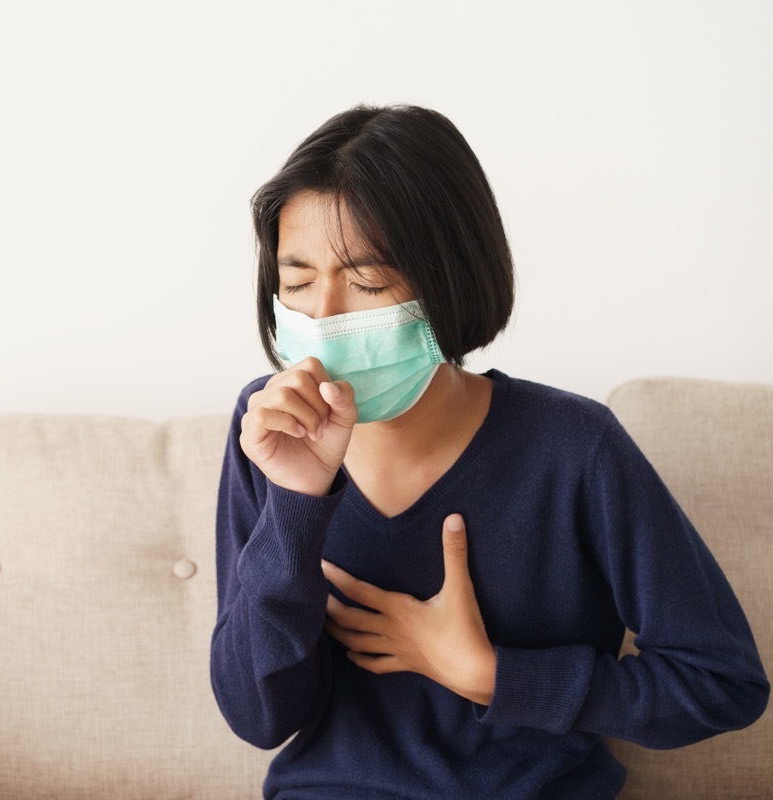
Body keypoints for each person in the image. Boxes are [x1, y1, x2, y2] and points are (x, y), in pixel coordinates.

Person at [209, 103, 769, 800]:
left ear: (449, 280)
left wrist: (494, 675)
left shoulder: (575, 447)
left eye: (369, 281)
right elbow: (256, 718)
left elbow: (722, 682)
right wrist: (297, 504)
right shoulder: (266, 430)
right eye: (296, 281)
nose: (323, 316)